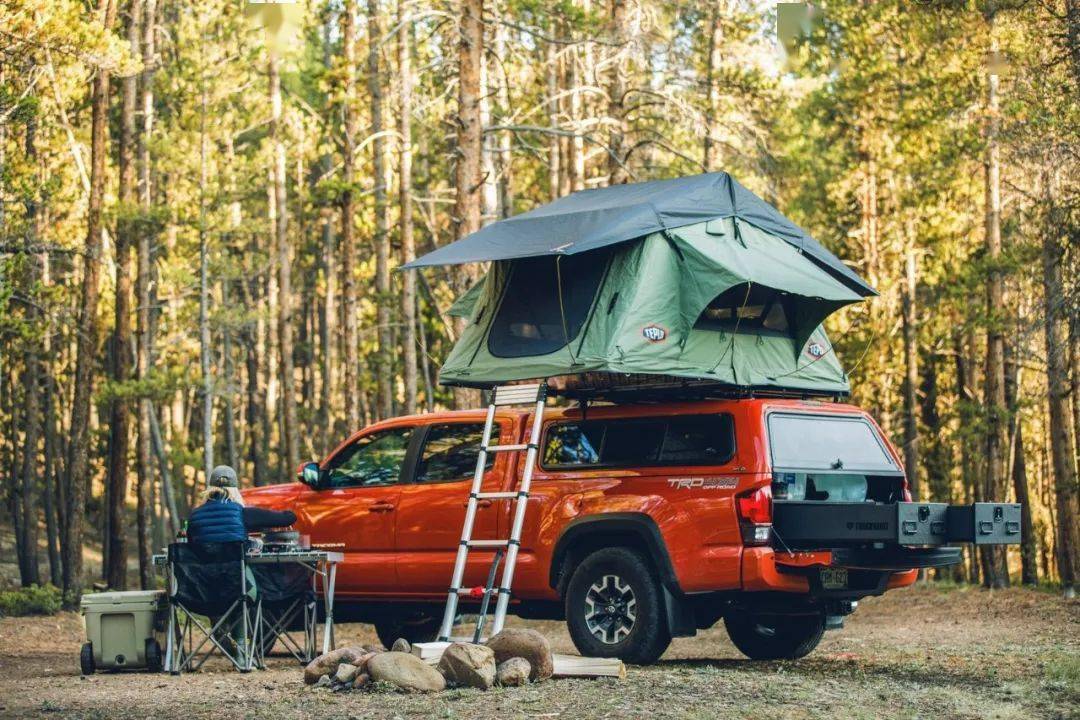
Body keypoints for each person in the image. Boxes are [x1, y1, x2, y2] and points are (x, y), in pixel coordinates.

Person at [187, 465, 297, 544]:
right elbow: (289, 518)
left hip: (203, 575)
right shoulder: (243, 514)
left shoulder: (194, 516)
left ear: (210, 489)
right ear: (235, 490)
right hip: (238, 575)